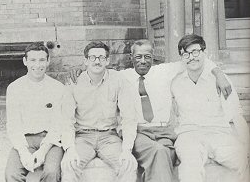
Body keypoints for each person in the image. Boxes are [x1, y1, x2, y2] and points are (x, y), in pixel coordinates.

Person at [69, 39, 232, 182]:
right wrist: (78, 69)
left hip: (164, 131)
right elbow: (97, 68)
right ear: (131, 58)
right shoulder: (121, 76)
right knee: (159, 152)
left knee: (166, 153)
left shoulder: (164, 71)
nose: (143, 61)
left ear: (153, 57)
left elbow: (193, 59)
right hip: (139, 131)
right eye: (138, 56)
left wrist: (218, 72)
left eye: (147, 56)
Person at [171, 34, 250, 182]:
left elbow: (236, 114)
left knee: (242, 159)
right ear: (181, 57)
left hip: (218, 133)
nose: (191, 57)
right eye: (186, 54)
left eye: (195, 51)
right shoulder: (175, 82)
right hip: (189, 135)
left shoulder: (221, 80)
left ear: (204, 53)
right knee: (190, 166)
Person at [61, 41, 138, 182]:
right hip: (82, 137)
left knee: (128, 165)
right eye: (92, 57)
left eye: (101, 58)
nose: (97, 61)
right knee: (69, 165)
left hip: (109, 137)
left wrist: (127, 150)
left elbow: (129, 118)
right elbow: (66, 120)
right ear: (85, 61)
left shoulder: (118, 80)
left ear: (107, 60)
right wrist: (69, 149)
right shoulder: (74, 82)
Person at [5, 42, 72, 182]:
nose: (38, 65)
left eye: (42, 60)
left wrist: (43, 151)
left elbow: (58, 125)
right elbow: (13, 125)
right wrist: (23, 152)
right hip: (25, 139)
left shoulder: (58, 88)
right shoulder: (14, 88)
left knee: (51, 172)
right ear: (25, 61)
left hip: (51, 141)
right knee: (12, 174)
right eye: (33, 60)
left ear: (48, 61)